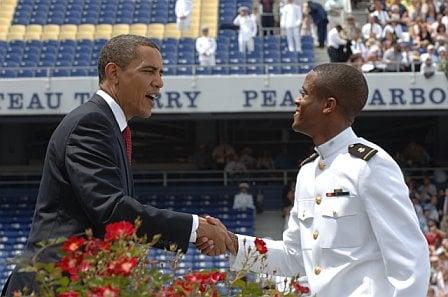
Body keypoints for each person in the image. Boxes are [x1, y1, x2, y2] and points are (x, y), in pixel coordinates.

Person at [2, 35, 234, 296]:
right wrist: (194, 228)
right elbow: (111, 210)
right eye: (148, 71)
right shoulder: (91, 123)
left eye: (160, 72)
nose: (159, 82)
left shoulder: (108, 125)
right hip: (52, 283)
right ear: (113, 73)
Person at [200, 63, 430, 296]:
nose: (297, 100)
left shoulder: (369, 165)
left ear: (328, 105)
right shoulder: (308, 172)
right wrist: (232, 242)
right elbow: (294, 257)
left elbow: (410, 260)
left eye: (304, 93)